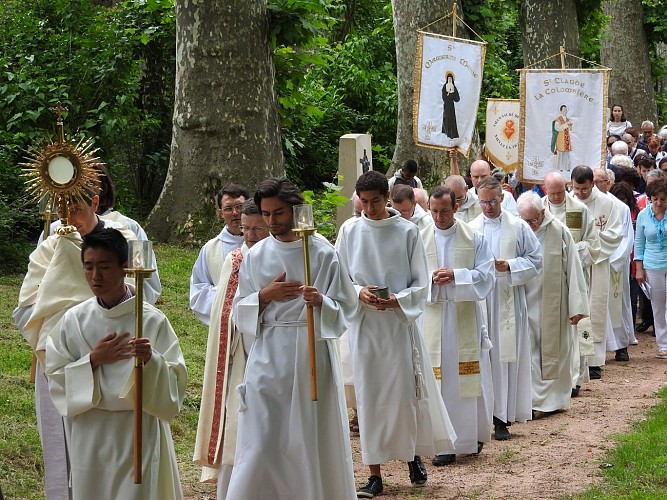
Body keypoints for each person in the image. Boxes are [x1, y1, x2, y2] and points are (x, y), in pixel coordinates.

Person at [226, 178, 357, 500]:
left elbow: (346, 306)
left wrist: (321, 302)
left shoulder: (323, 253)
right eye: (267, 214)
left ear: (295, 211)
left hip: (311, 351)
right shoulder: (256, 257)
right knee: (263, 434)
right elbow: (237, 312)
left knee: (309, 434)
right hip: (269, 352)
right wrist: (263, 296)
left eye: (279, 213)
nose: (271, 222)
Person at [13, 190, 142, 500]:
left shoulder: (121, 237)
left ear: (94, 203)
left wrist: (102, 316)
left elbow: (143, 291)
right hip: (62, 353)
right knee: (62, 443)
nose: (68, 215)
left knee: (113, 446)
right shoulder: (49, 246)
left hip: (118, 346)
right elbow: (25, 308)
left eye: (76, 206)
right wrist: (62, 324)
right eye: (62, 207)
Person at [336, 170, 455, 498]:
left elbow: (421, 281)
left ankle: (412, 457)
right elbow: (339, 277)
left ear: (387, 199)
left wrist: (397, 301)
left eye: (375, 201)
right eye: (364, 202)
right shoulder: (349, 230)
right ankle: (373, 473)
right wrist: (359, 291)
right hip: (365, 326)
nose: (370, 208)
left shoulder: (406, 232)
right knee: (368, 398)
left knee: (403, 396)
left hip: (397, 325)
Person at [45, 228, 187, 500]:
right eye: (88, 267)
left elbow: (175, 384)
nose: (95, 276)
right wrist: (93, 360)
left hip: (136, 430)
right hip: (90, 431)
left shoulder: (151, 320)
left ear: (125, 268)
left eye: (104, 266)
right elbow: (56, 377)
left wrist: (150, 360)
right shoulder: (73, 320)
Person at [193, 199, 270, 497]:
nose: (250, 235)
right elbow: (224, 314)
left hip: (270, 348)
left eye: (257, 229)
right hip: (239, 352)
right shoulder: (235, 260)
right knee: (237, 420)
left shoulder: (277, 257)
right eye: (245, 228)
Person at [422, 186, 495, 465]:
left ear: (456, 208)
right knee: (439, 382)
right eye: (434, 211)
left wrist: (456, 275)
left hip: (464, 316)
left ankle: (470, 436)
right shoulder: (418, 237)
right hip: (432, 318)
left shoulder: (473, 237)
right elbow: (411, 277)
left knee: (466, 378)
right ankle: (444, 443)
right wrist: (431, 278)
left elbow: (486, 276)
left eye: (444, 211)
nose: (439, 217)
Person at [469, 177, 542, 440]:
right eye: (483, 201)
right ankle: (482, 415)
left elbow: (536, 260)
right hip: (481, 300)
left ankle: (502, 418)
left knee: (503, 358)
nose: (488, 206)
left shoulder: (518, 226)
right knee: (482, 358)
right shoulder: (471, 228)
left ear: (502, 198)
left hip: (507, 298)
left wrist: (510, 266)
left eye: (492, 201)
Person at [38, 165, 162, 304]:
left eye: (77, 209)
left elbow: (146, 287)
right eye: (64, 210)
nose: (70, 219)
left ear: (95, 200)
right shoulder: (51, 233)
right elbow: (35, 289)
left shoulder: (128, 231)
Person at [517, 192, 588, 415]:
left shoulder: (559, 231)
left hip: (554, 304)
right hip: (525, 302)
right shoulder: (516, 231)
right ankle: (531, 400)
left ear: (543, 212)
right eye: (525, 221)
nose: (530, 226)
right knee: (529, 352)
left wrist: (577, 306)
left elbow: (574, 271)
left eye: (533, 220)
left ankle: (554, 401)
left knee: (555, 352)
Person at [542, 172, 600, 395]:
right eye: (552, 193)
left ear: (565, 187)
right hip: (548, 279)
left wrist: (569, 253)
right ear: (545, 190)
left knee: (579, 321)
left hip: (575, 277)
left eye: (559, 192)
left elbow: (593, 244)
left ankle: (577, 375)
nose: (556, 197)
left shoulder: (579, 209)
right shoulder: (539, 209)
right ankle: (552, 375)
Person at [570, 166, 625, 380]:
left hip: (597, 264)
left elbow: (615, 234)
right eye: (576, 189)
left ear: (593, 183)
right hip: (573, 266)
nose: (580, 194)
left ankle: (594, 362)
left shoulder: (608, 203)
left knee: (594, 310)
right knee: (575, 309)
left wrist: (587, 248)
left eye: (584, 189)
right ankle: (575, 359)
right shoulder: (567, 202)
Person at [190, 184, 249, 326]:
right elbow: (198, 292)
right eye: (228, 208)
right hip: (227, 323)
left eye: (239, 206)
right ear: (220, 213)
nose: (235, 213)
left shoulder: (263, 241)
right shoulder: (210, 249)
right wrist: (230, 296)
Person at [634, 178, 667, 358]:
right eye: (655, 199)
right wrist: (639, 269)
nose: (659, 203)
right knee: (658, 305)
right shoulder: (643, 215)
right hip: (652, 265)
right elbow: (639, 243)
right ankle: (663, 345)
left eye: (663, 199)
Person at [551, 105, 573, 172]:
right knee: (560, 153)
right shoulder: (558, 120)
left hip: (567, 138)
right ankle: (560, 167)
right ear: (560, 111)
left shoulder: (568, 119)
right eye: (563, 110)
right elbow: (558, 128)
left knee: (566, 154)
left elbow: (570, 129)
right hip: (560, 138)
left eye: (566, 110)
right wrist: (566, 124)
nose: (565, 111)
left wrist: (570, 126)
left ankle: (566, 167)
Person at [441, 71, 460, 138]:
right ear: (447, 79)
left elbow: (457, 99)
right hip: (446, 105)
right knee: (446, 118)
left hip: (451, 106)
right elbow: (443, 97)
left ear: (452, 79)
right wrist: (448, 94)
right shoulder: (444, 86)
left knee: (452, 119)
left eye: (450, 79)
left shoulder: (454, 87)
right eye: (448, 78)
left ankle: (452, 134)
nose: (449, 80)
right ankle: (446, 132)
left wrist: (453, 93)